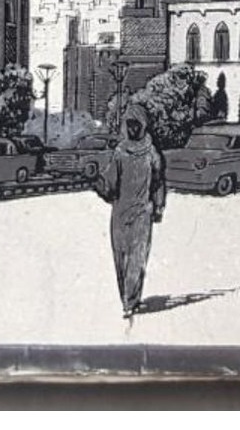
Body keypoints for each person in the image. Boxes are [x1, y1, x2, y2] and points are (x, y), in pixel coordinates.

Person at [95, 102, 166, 319]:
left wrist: (159, 205)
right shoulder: (120, 152)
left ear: (144, 125)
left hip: (142, 213)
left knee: (137, 258)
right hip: (120, 213)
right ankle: (125, 296)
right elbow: (110, 184)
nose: (133, 128)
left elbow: (159, 182)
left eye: (137, 124)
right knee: (120, 259)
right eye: (130, 124)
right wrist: (99, 183)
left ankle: (131, 300)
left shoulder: (152, 153)